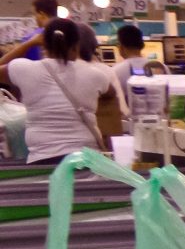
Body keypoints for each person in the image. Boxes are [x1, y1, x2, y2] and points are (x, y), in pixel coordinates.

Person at [0, 18, 114, 164]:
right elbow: (111, 93)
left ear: (44, 45)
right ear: (76, 45)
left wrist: (29, 43)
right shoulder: (95, 75)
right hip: (86, 159)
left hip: (41, 160)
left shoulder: (24, 69)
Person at [0, 0, 59, 69]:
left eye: (35, 14)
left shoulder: (33, 37)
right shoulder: (68, 32)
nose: (35, 18)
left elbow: (9, 62)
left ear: (42, 14)